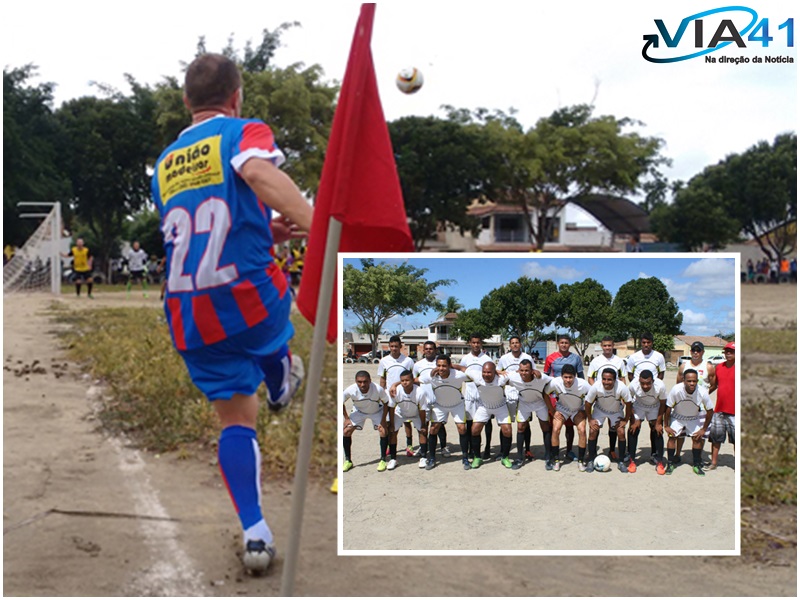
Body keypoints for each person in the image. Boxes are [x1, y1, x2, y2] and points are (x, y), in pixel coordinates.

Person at [150, 53, 311, 574]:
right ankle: (279, 370)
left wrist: (267, 226)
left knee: (236, 422)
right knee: (274, 293)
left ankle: (256, 533)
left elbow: (205, 226)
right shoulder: (242, 133)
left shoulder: (166, 163)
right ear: (237, 97)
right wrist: (316, 223)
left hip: (188, 313)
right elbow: (258, 174)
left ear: (185, 101)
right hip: (248, 299)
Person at [416, 354, 473, 470]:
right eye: (438, 366)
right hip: (440, 406)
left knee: (462, 428)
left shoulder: (458, 375)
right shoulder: (431, 376)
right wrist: (395, 385)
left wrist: (458, 366)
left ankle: (465, 457)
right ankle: (431, 458)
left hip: (457, 405)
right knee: (433, 429)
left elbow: (473, 375)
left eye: (444, 366)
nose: (441, 368)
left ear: (449, 366)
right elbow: (413, 380)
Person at [664, 369, 714, 476]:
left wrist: (703, 429)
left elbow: (710, 411)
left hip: (693, 418)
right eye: (689, 381)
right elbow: (668, 408)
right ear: (683, 380)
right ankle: (670, 463)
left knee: (697, 438)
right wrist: (666, 425)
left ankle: (696, 464)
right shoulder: (676, 390)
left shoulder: (702, 391)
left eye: (694, 381)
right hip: (677, 417)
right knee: (672, 437)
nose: (692, 383)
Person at [505, 359, 553, 469]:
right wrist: (500, 372)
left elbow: (553, 382)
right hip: (524, 403)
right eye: (521, 370)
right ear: (518, 370)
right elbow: (497, 375)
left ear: (532, 371)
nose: (523, 373)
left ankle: (548, 457)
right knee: (521, 428)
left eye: (526, 370)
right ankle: (519, 458)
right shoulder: (514, 377)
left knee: (545, 427)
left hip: (539, 403)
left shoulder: (541, 378)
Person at [544, 334, 584, 462]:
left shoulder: (576, 358)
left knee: (570, 425)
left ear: (570, 344)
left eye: (566, 343)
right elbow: (545, 377)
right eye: (562, 342)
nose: (564, 345)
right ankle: (551, 452)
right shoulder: (550, 358)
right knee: (554, 424)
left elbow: (581, 377)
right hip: (555, 394)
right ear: (558, 344)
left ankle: (569, 450)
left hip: (570, 395)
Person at [544, 364, 590, 471]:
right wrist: (552, 410)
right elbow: (545, 394)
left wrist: (585, 412)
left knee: (582, 430)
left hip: (577, 410)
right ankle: (556, 460)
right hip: (562, 409)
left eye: (570, 377)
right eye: (565, 377)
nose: (568, 380)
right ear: (561, 376)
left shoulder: (583, 384)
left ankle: (581, 461)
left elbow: (592, 397)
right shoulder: (555, 382)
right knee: (555, 429)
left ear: (575, 376)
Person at [587, 336, 627, 461]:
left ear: (613, 345)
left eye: (609, 345)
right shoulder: (596, 361)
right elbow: (590, 378)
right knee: (595, 427)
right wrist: (596, 391)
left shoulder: (619, 361)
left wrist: (622, 397)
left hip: (614, 398)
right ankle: (591, 455)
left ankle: (612, 450)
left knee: (614, 425)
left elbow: (622, 378)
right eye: (605, 346)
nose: (607, 348)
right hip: (601, 398)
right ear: (601, 346)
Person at [584, 368, 632, 473]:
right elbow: (588, 403)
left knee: (621, 432)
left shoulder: (622, 387)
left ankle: (621, 461)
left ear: (615, 380)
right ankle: (591, 460)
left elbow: (629, 404)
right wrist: (590, 419)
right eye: (604, 379)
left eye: (609, 379)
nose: (606, 382)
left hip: (615, 411)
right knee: (593, 430)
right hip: (600, 410)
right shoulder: (596, 386)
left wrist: (625, 419)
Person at [342, 371, 390, 471]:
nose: (362, 384)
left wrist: (383, 420)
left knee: (383, 431)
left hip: (376, 411)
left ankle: (383, 460)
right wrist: (346, 418)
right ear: (356, 381)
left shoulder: (378, 389)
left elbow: (386, 403)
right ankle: (348, 460)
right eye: (359, 382)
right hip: (359, 412)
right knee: (346, 431)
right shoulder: (351, 389)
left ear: (370, 381)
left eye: (365, 382)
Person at [469, 362, 514, 469]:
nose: (486, 374)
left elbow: (517, 373)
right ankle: (477, 457)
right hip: (484, 406)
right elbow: (462, 368)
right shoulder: (476, 376)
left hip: (500, 406)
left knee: (507, 430)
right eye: (484, 372)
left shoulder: (502, 378)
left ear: (495, 372)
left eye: (489, 372)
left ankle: (505, 457)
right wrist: (451, 366)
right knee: (474, 429)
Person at [674, 341, 713, 463]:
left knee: (698, 435)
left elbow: (714, 383)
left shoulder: (708, 367)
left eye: (699, 350)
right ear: (690, 351)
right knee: (680, 433)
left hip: (700, 407)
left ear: (703, 352)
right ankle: (677, 454)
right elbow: (678, 383)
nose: (696, 353)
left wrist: (703, 396)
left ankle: (697, 458)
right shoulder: (684, 366)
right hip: (684, 406)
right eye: (694, 350)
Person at [497, 335, 534, 460]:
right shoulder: (504, 358)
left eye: (517, 342)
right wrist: (500, 372)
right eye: (512, 343)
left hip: (523, 393)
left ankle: (527, 450)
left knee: (524, 424)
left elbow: (533, 372)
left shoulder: (527, 358)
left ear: (520, 344)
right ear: (509, 345)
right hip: (508, 393)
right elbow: (497, 372)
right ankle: (503, 451)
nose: (515, 345)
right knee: (504, 423)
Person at [377, 336, 415, 455]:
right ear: (389, 346)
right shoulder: (384, 361)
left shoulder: (408, 361)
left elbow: (412, 378)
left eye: (396, 346)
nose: (394, 348)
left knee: (407, 421)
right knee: (391, 423)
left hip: (405, 395)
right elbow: (383, 379)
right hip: (390, 397)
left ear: (400, 346)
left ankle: (409, 445)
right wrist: (381, 394)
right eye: (392, 346)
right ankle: (390, 445)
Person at [459, 334, 494, 460]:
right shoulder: (465, 358)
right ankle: (471, 449)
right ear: (470, 343)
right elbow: (460, 372)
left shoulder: (486, 358)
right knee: (470, 422)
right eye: (473, 342)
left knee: (486, 421)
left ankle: (488, 447)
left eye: (478, 342)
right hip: (469, 391)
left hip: (483, 392)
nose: (475, 345)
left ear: (481, 344)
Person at [628, 369, 668, 474]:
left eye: (648, 383)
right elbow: (627, 401)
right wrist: (634, 419)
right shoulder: (633, 385)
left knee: (657, 430)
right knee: (633, 429)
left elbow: (663, 404)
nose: (645, 386)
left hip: (654, 406)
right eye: (643, 383)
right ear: (639, 381)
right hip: (639, 405)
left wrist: (659, 423)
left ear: (653, 381)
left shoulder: (660, 386)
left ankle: (659, 460)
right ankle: (631, 459)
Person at [388, 371, 430, 469]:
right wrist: (391, 423)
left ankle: (423, 457)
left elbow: (422, 409)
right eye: (402, 381)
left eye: (407, 380)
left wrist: (423, 424)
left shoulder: (420, 392)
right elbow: (391, 408)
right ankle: (393, 459)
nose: (404, 383)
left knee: (423, 432)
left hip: (416, 414)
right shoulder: (396, 391)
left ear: (412, 380)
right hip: (401, 413)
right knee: (393, 432)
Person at [414, 341, 448, 457]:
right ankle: (423, 447)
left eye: (431, 349)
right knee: (423, 425)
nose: (429, 351)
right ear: (423, 350)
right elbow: (415, 381)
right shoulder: (418, 365)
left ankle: (444, 447)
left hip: (439, 399)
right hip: (424, 401)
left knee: (440, 425)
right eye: (426, 349)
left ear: (435, 350)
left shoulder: (440, 362)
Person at [707, 342, 735, 469]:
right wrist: (702, 395)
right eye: (727, 351)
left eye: (731, 351)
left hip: (735, 411)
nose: (728, 353)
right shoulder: (719, 367)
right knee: (715, 438)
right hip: (719, 409)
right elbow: (714, 385)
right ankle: (714, 462)